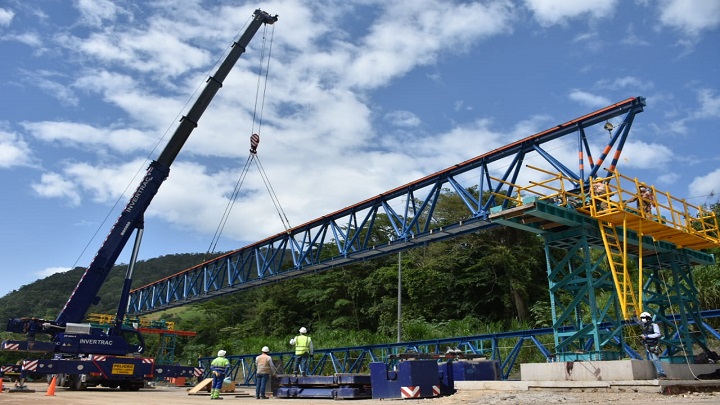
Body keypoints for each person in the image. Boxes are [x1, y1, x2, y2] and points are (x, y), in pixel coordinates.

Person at [639, 312, 667, 380]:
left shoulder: (654, 325)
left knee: (655, 359)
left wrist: (647, 336)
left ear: (648, 318)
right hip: (648, 345)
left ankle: (662, 374)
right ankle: (660, 373)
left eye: (643, 318)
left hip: (653, 345)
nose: (642, 319)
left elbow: (658, 334)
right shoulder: (645, 326)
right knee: (652, 359)